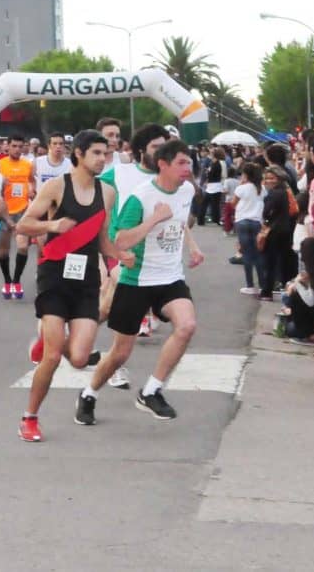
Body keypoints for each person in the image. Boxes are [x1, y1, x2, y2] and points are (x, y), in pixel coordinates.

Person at [15, 131, 131, 440]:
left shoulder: (107, 192)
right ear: (78, 154)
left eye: (105, 154)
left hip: (86, 281)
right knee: (53, 357)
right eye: (96, 153)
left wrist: (121, 256)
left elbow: (102, 239)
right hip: (54, 275)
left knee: (79, 358)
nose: (102, 159)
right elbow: (24, 224)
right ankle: (30, 418)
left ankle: (45, 339)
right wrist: (52, 225)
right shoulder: (56, 187)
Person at [79, 139, 205, 425]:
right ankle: (89, 394)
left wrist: (193, 246)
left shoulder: (186, 190)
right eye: (181, 163)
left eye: (189, 162)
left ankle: (151, 391)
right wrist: (154, 221)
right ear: (163, 164)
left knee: (186, 326)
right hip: (136, 280)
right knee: (120, 353)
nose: (188, 168)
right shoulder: (141, 197)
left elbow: (180, 220)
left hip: (170, 278)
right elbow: (120, 239)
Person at [94, 124, 170, 388]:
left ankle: (72, 332)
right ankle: (115, 366)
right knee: (125, 304)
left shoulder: (166, 179)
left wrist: (192, 246)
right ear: (141, 151)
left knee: (107, 307)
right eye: (156, 147)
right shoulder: (120, 173)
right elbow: (88, 192)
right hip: (120, 249)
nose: (163, 152)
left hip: (150, 255)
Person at [0, 133, 34, 299]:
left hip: (23, 210)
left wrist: (31, 188)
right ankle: (7, 281)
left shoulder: (28, 165)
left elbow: (31, 180)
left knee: (23, 247)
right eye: (14, 146)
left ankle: (17, 281)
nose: (17, 149)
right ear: (7, 146)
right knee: (4, 251)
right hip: (5, 212)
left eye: (20, 146)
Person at [258, 167, 295, 301]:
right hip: (285, 229)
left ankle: (266, 292)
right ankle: (287, 292)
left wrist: (266, 221)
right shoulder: (286, 191)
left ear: (279, 179)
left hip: (273, 231)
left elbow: (267, 212)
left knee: (269, 262)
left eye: (272, 178)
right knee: (283, 262)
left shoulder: (273, 194)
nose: (268, 181)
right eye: (267, 178)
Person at [231, 162, 265, 294]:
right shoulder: (261, 189)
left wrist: (241, 184)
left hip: (242, 221)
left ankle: (250, 285)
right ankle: (262, 284)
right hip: (257, 221)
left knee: (246, 253)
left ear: (245, 175)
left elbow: (233, 203)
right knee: (258, 254)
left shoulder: (242, 188)